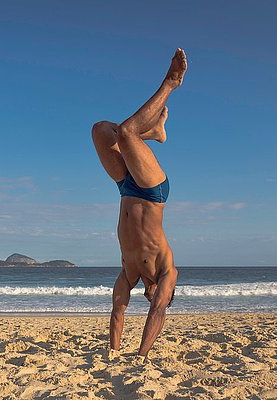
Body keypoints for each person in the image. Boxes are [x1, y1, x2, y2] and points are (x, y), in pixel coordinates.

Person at [91, 48, 187, 361]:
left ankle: (155, 129)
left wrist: (116, 352)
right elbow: (160, 311)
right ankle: (171, 84)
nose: (156, 297)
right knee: (126, 132)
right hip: (152, 192)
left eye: (154, 296)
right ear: (167, 291)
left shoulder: (128, 274)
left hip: (125, 188)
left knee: (102, 131)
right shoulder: (167, 271)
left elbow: (118, 310)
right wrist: (143, 355)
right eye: (161, 295)